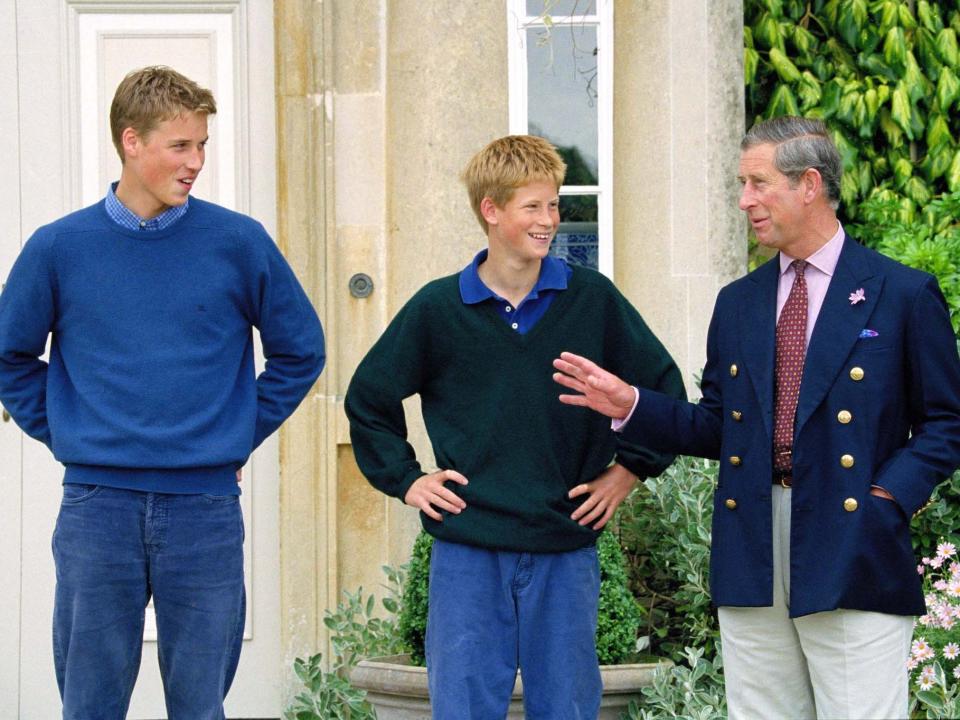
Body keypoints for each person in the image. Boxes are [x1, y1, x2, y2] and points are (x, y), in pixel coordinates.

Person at [553, 115, 960, 719]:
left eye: (758, 183)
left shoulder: (900, 293)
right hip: (752, 540)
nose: (745, 201)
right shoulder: (738, 302)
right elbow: (722, 426)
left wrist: (885, 499)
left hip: (852, 537)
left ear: (809, 185)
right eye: (742, 185)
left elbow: (946, 423)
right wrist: (633, 406)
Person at [0, 66, 324, 719]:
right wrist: (66, 431)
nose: (197, 161)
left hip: (204, 507)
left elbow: (301, 351)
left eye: (202, 145)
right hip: (98, 507)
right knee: (90, 705)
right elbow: (10, 356)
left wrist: (234, 432)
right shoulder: (59, 247)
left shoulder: (239, 243)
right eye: (181, 146)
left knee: (200, 708)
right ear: (132, 142)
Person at [345, 134, 685, 718]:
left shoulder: (592, 300)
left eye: (553, 205)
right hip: (467, 551)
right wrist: (408, 480)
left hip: (564, 545)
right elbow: (367, 401)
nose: (549, 220)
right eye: (533, 206)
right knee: (464, 711)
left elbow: (663, 393)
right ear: (491, 210)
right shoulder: (437, 310)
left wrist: (627, 473)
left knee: (568, 710)